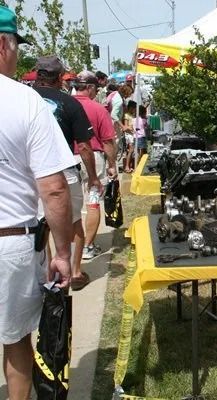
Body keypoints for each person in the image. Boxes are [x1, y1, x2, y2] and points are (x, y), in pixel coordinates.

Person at [0, 6, 74, 398]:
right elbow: (55, 189)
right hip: (10, 243)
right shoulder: (25, 102)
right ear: (1, 45)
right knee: (14, 341)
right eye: (15, 47)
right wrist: (63, 252)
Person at [32, 55, 103, 291]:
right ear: (61, 77)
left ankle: (48, 276)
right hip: (63, 172)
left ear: (36, 73)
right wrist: (93, 177)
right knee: (73, 225)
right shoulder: (70, 104)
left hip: (31, 174)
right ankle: (73, 273)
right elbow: (84, 146)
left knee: (43, 226)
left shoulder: (21, 99)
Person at [72, 71, 118, 261]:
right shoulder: (98, 109)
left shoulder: (65, 104)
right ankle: (88, 247)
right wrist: (113, 165)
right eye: (96, 88)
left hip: (68, 160)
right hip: (94, 158)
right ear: (90, 87)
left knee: (73, 207)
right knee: (92, 202)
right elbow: (108, 141)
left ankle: (74, 247)